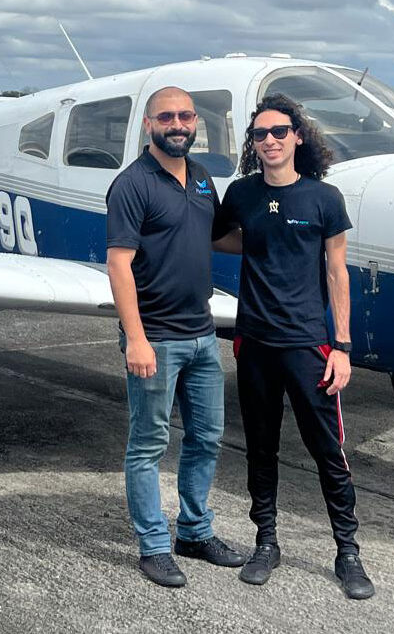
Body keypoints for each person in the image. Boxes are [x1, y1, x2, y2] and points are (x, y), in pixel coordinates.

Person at [212, 93, 375, 600]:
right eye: (260, 134)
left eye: (279, 131)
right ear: (253, 143)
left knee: (328, 451)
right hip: (254, 342)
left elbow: (337, 272)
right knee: (260, 449)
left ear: (298, 136)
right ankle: (266, 542)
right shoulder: (241, 193)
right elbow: (220, 238)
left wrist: (342, 346)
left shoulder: (324, 198)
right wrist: (261, 241)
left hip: (308, 346)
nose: (270, 140)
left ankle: (348, 553)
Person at [106, 86, 245, 587]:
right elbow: (119, 265)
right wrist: (136, 339)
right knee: (148, 444)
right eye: (166, 117)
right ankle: (154, 546)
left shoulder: (202, 177)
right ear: (149, 125)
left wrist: (283, 234)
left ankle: (194, 532)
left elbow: (218, 236)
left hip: (202, 333)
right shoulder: (132, 185)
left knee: (206, 438)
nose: (179, 124)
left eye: (186, 116)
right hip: (157, 338)